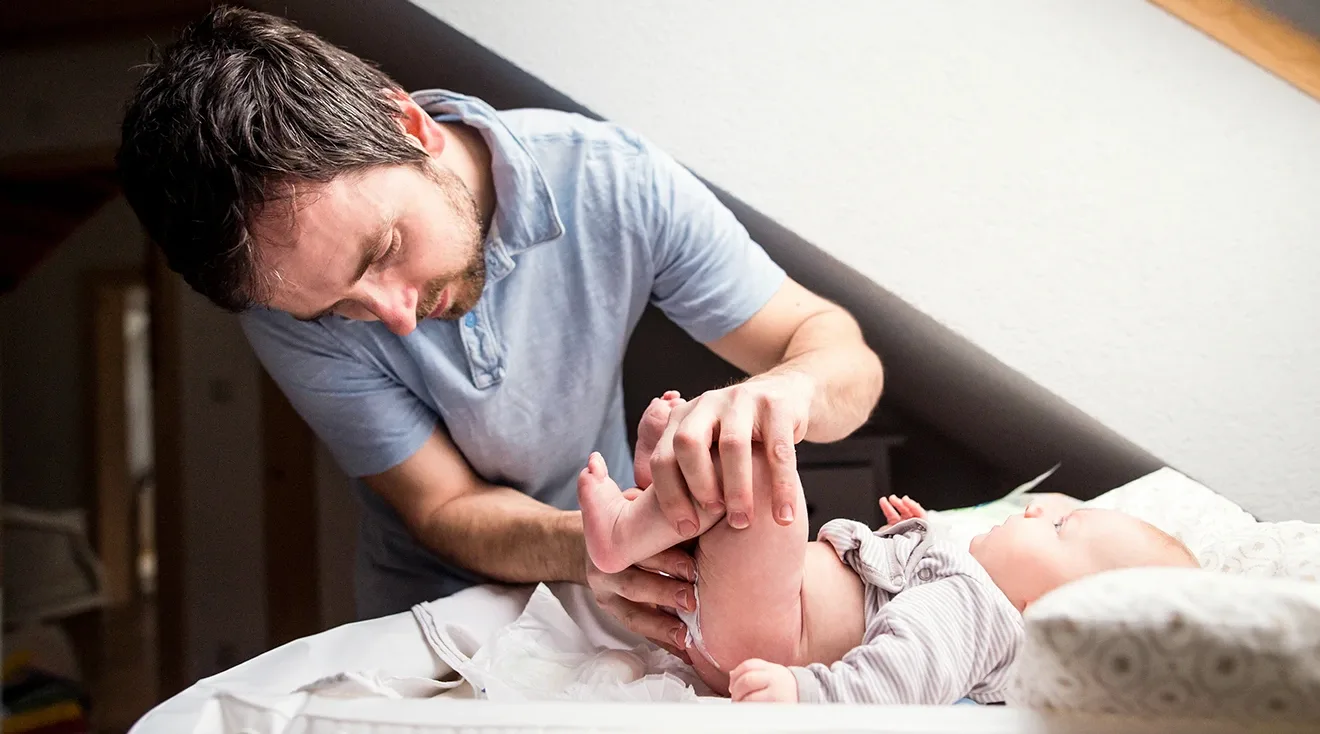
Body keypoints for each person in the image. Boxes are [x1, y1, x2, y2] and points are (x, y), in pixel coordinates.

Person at [114, 6, 884, 655]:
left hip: (629, 597)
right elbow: (445, 507)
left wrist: (786, 392)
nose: (394, 316)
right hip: (433, 617)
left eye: (382, 251)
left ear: (408, 124)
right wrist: (595, 548)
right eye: (337, 309)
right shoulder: (281, 304)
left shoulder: (612, 182)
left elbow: (833, 347)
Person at [578, 396, 1201, 702]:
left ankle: (629, 530)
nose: (1037, 510)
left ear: (1043, 613)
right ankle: (662, 494)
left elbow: (896, 679)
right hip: (754, 624)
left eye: (1060, 530)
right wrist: (919, 538)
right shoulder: (964, 589)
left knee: (767, 493)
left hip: (778, 636)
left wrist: (808, 695)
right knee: (738, 508)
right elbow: (899, 604)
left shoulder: (977, 614)